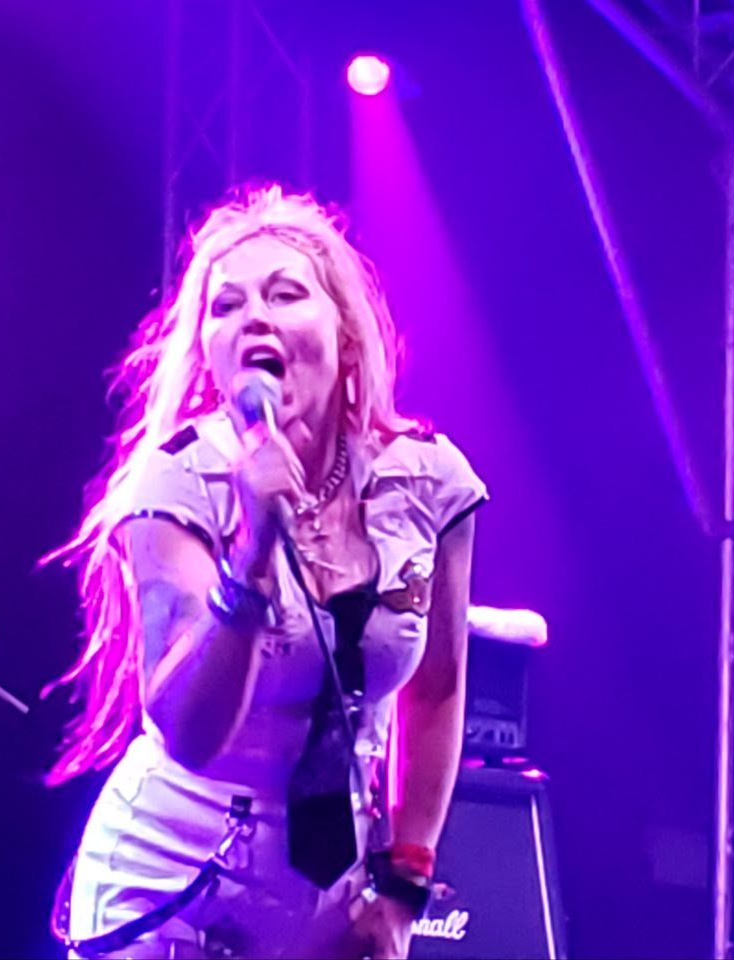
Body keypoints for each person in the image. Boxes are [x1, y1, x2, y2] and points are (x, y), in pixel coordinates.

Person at [47, 184, 487, 959]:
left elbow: (438, 689)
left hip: (326, 896)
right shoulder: (178, 481)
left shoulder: (427, 480)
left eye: (285, 294)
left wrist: (404, 885)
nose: (253, 316)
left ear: (344, 335)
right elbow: (186, 729)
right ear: (210, 353)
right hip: (169, 886)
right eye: (227, 305)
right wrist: (251, 553)